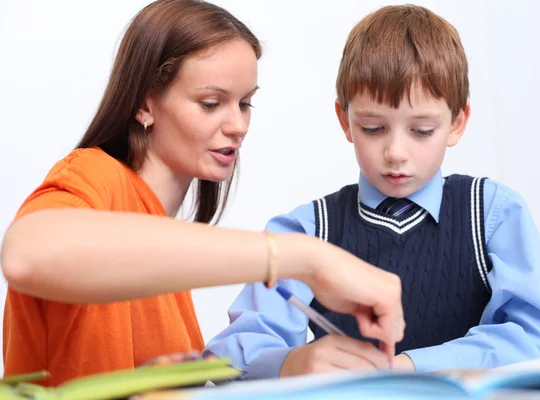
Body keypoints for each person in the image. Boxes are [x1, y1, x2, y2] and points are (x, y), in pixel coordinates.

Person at [0, 0, 404, 387]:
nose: (238, 125)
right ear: (144, 104)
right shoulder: (94, 174)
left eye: (245, 104)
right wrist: (306, 259)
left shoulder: (160, 248)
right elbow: (26, 253)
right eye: (211, 104)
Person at [203, 4, 540, 379]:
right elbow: (227, 360)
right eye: (373, 128)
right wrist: (290, 364)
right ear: (344, 120)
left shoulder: (493, 212)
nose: (396, 153)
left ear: (457, 123)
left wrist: (411, 367)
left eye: (422, 131)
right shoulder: (306, 230)